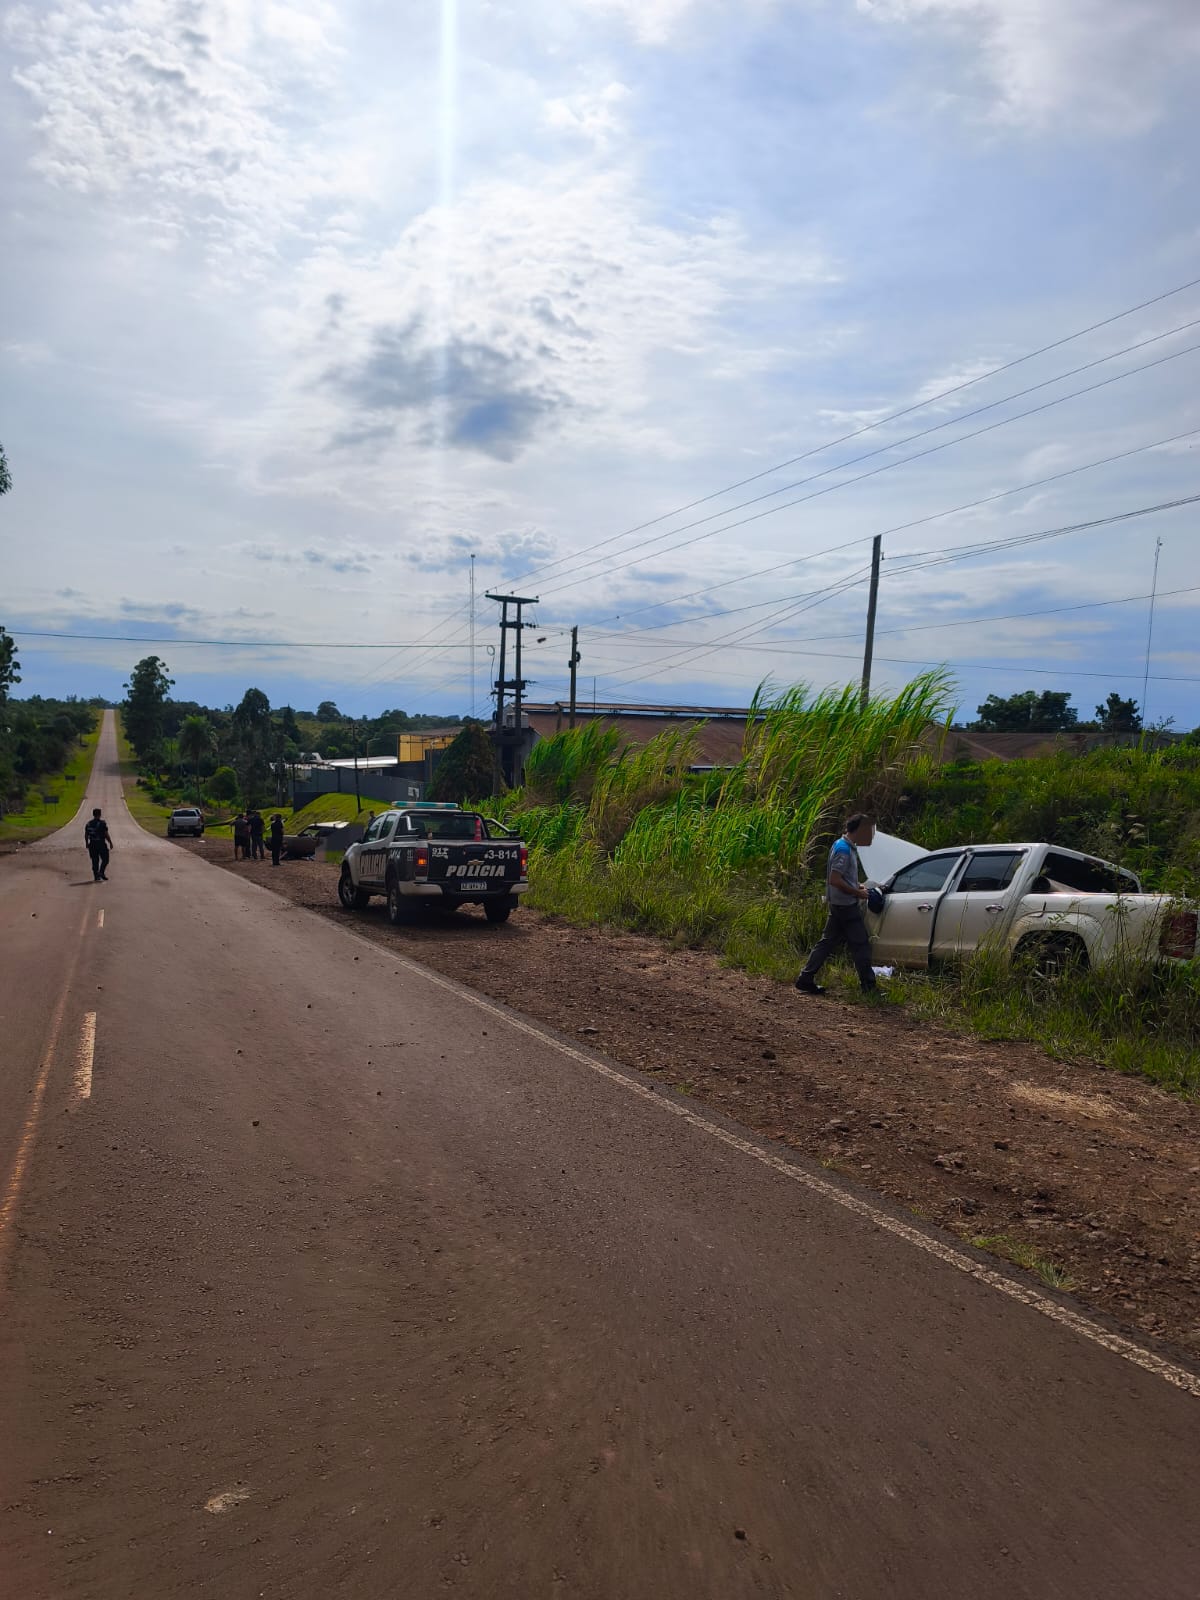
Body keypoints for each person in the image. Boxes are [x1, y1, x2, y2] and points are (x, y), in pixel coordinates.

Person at [796, 813, 878, 995]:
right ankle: (869, 987)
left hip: (839, 905)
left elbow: (842, 877)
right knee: (861, 945)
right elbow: (834, 879)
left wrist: (856, 884)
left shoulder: (842, 845)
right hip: (846, 906)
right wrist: (859, 893)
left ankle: (805, 978)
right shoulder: (843, 850)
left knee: (826, 943)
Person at [84, 807, 113, 882]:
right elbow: (106, 834)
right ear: (100, 814)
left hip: (92, 844)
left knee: (94, 860)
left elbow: (86, 835)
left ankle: (97, 876)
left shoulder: (88, 824)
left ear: (93, 814)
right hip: (101, 844)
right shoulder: (102, 823)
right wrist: (110, 842)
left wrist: (87, 843)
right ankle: (101, 872)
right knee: (105, 859)